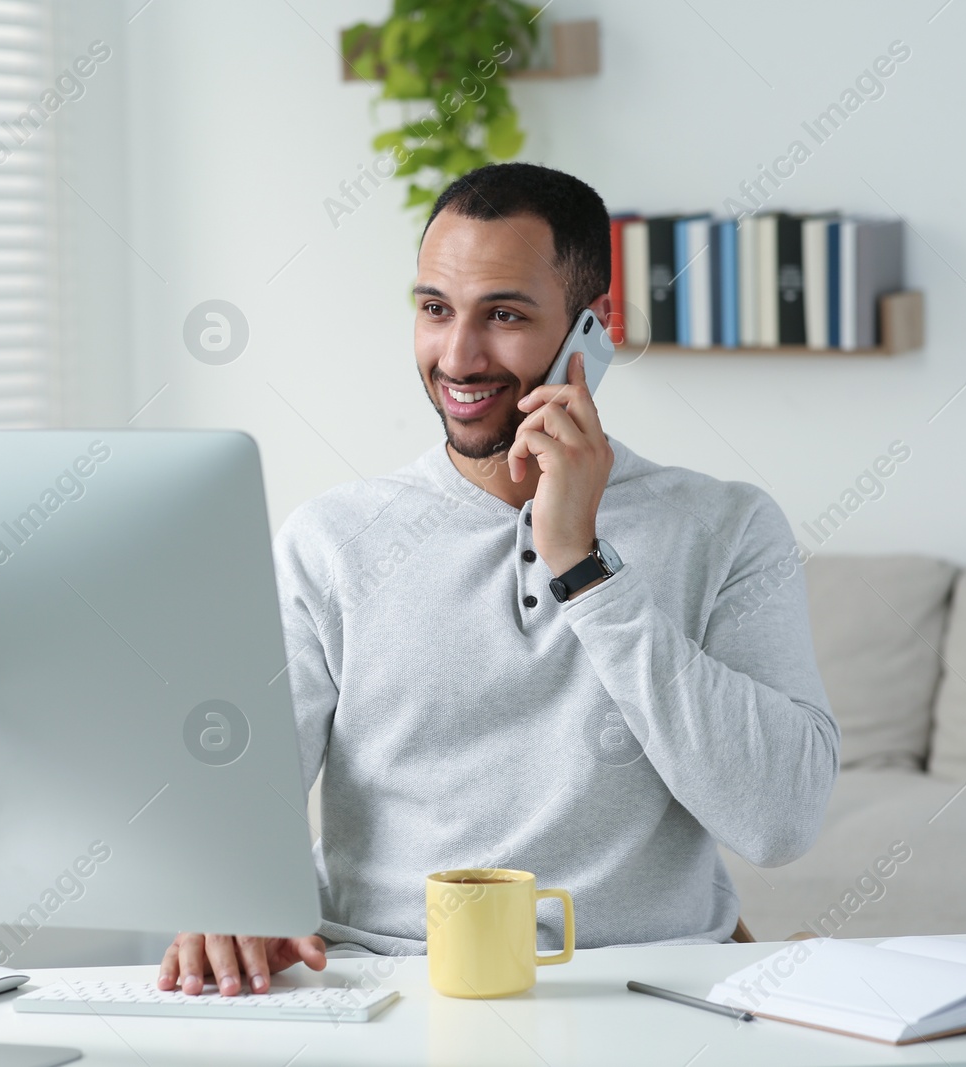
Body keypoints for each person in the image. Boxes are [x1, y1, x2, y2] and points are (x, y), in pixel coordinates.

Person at [159, 163, 839, 996]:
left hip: (647, 990)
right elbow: (236, 808)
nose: (458, 355)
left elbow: (778, 820)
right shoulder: (330, 539)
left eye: (505, 315)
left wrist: (584, 566)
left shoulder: (727, 526)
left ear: (596, 329)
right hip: (387, 988)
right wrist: (226, 894)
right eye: (435, 309)